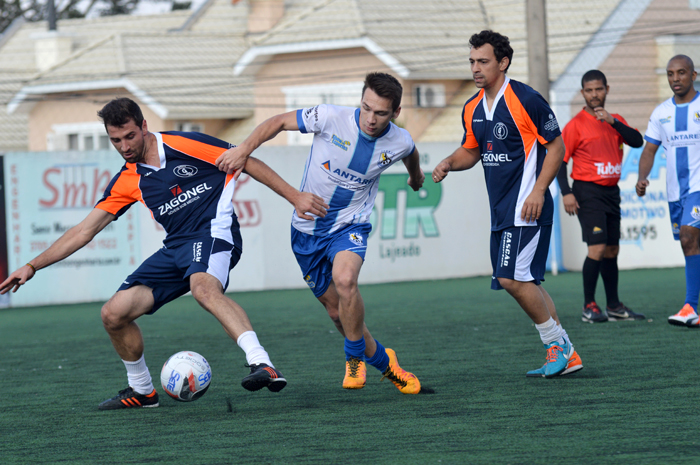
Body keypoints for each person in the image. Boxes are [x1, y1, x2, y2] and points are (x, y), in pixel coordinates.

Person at [0, 98, 326, 409]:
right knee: (114, 314)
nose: (124, 146)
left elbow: (248, 161)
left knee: (203, 289)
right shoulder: (127, 180)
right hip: (176, 247)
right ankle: (142, 391)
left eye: (129, 136)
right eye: (116, 140)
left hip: (214, 230)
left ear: (143, 126)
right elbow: (84, 231)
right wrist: (32, 265)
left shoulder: (182, 144)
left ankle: (262, 363)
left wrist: (295, 197)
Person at [215, 72, 424, 394]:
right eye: (366, 108)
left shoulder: (400, 139)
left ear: (395, 113)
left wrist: (416, 176)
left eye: (380, 113)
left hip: (350, 224)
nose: (370, 118)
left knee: (345, 281)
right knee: (337, 312)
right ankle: (386, 364)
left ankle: (354, 359)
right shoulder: (329, 117)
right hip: (306, 231)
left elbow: (410, 153)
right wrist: (243, 149)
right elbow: (278, 122)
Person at [432, 30, 582, 378]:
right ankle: (565, 352)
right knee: (527, 281)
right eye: (471, 61)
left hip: (527, 208)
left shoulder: (526, 99)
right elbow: (471, 151)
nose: (475, 68)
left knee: (510, 278)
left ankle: (556, 345)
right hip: (501, 211)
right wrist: (448, 163)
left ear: (503, 62)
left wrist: (539, 190)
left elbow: (556, 148)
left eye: (482, 61)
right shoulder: (471, 107)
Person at [557, 69, 645, 323]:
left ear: (607, 89)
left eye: (599, 89)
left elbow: (637, 141)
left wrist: (613, 122)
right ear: (583, 92)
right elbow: (560, 161)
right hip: (587, 191)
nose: (594, 95)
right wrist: (567, 192)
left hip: (611, 192)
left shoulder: (615, 120)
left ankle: (615, 306)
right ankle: (589, 305)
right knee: (597, 247)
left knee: (612, 249)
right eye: (589, 90)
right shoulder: (574, 125)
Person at [637, 55, 700, 327]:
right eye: (671, 73)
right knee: (691, 245)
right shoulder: (661, 112)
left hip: (698, 188)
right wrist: (642, 178)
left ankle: (690, 306)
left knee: (688, 238)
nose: (676, 78)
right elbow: (649, 150)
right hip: (675, 192)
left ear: (694, 75)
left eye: (682, 73)